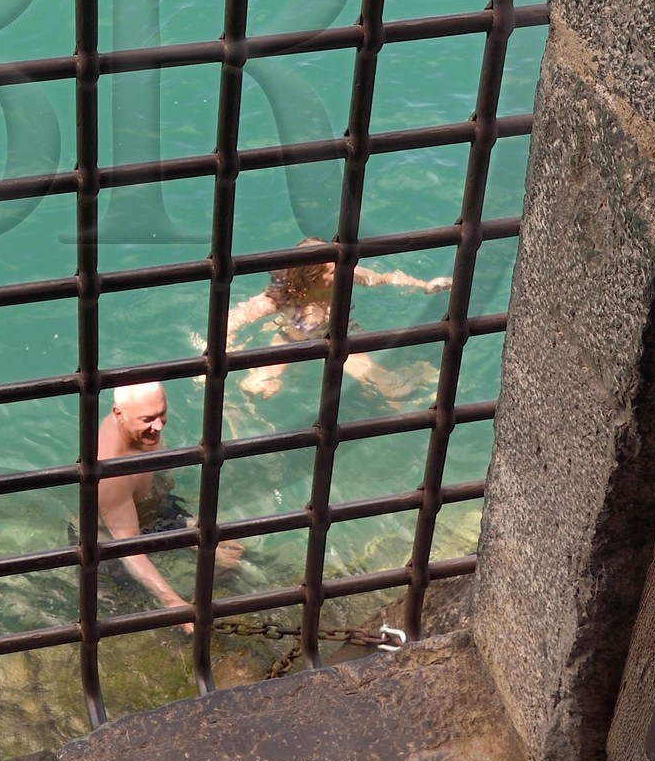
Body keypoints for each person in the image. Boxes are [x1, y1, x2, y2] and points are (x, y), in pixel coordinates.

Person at [91, 382, 243, 629]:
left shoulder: (139, 427)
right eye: (148, 419)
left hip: (156, 514)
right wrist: (171, 601)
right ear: (118, 414)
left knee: (232, 555)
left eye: (163, 414)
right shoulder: (111, 473)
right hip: (110, 544)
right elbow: (128, 547)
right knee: (127, 608)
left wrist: (188, 522)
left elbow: (162, 484)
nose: (159, 425)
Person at [227, 244, 452, 401]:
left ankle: (421, 374)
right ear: (312, 277)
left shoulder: (346, 273)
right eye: (331, 270)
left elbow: (386, 278)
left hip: (341, 334)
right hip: (294, 335)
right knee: (256, 387)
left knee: (389, 387)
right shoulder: (282, 297)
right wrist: (228, 345)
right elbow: (233, 319)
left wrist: (424, 285)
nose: (342, 268)